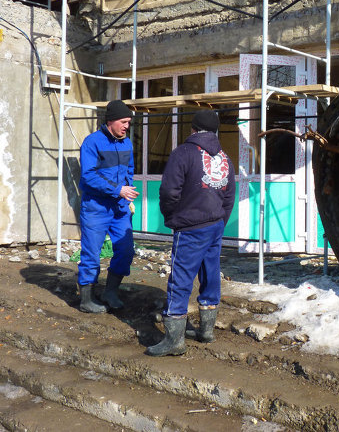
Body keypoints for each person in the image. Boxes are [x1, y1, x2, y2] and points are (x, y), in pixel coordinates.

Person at [146, 109, 235, 356]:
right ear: (215, 131)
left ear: (193, 129)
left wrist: (173, 218)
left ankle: (174, 340)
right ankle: (206, 331)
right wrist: (219, 220)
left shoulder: (183, 153)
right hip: (215, 225)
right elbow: (229, 196)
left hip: (191, 226)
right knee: (211, 273)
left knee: (181, 279)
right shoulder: (225, 157)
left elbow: (168, 192)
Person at [78, 99, 139, 313]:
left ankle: (110, 291)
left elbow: (129, 171)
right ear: (111, 121)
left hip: (120, 207)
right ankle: (86, 298)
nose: (126, 126)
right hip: (96, 207)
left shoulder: (127, 143)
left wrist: (128, 191)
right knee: (92, 252)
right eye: (123, 122)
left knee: (126, 250)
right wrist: (118, 190)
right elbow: (88, 176)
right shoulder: (92, 142)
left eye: (129, 122)